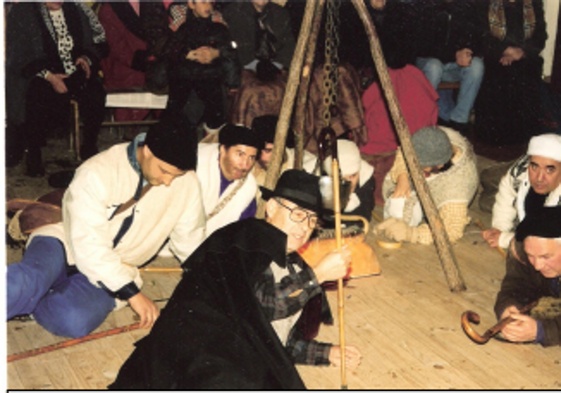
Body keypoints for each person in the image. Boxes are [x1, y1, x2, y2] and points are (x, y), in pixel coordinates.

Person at [109, 169, 362, 389]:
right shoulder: (244, 239)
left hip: (236, 354)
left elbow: (274, 338)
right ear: (272, 207)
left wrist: (326, 353)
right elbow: (264, 304)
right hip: (196, 349)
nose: (304, 226)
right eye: (297, 213)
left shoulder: (295, 266)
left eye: (311, 219)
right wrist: (317, 275)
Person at [7, 119, 206, 338]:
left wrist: (208, 282)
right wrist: (132, 294)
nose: (168, 182)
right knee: (24, 284)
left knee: (72, 319)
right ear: (147, 150)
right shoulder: (97, 171)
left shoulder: (187, 183)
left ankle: (40, 294)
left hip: (118, 267)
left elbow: (191, 241)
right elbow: (88, 244)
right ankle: (37, 286)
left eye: (175, 176)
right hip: (63, 241)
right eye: (164, 171)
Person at [5, 2, 108, 176]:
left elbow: (95, 43)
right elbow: (17, 55)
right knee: (37, 95)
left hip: (74, 73)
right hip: (39, 74)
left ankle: (89, 146)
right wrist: (49, 76)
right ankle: (34, 154)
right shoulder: (23, 11)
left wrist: (86, 58)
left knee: (96, 93)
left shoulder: (77, 9)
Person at [375, 126, 478, 245]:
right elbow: (404, 151)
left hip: (440, 195)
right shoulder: (439, 136)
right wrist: (402, 176)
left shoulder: (457, 187)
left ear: (439, 165)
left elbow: (452, 230)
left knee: (403, 219)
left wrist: (412, 234)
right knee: (399, 201)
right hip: (430, 177)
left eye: (421, 166)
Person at [161, 0, 240, 136]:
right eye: (203, 2)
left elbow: (231, 52)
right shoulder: (183, 27)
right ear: (192, 5)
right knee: (181, 114)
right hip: (186, 79)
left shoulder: (219, 28)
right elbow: (169, 50)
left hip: (211, 78)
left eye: (210, 3)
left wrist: (217, 53)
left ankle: (211, 137)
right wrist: (187, 54)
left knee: (215, 114)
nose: (208, 6)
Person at [474, 0, 547, 146]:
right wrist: (505, 50)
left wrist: (521, 52)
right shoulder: (486, 3)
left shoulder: (534, 3)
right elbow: (481, 35)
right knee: (500, 72)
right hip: (496, 54)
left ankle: (524, 135)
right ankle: (495, 135)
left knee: (528, 70)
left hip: (524, 56)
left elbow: (541, 36)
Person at [413, 0, 484, 135]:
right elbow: (420, 45)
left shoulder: (468, 6)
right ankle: (422, 121)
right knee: (434, 66)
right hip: (428, 63)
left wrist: (468, 50)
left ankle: (458, 121)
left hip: (454, 65)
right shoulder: (425, 5)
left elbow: (479, 39)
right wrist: (454, 54)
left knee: (476, 65)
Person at [494, 206, 561, 347]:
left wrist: (541, 332)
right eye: (531, 256)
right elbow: (516, 285)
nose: (537, 266)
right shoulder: (523, 248)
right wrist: (508, 308)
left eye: (546, 256)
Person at [482, 133, 561, 250]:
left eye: (549, 170)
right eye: (534, 167)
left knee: (486, 201)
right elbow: (507, 191)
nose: (539, 178)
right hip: (519, 175)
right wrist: (499, 228)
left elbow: (550, 244)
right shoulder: (521, 169)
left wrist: (505, 239)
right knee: (487, 179)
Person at [197, 124, 262, 237]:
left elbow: (242, 230)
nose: (245, 165)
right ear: (223, 149)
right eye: (240, 154)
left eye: (251, 158)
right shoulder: (197, 163)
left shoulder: (248, 188)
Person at [98, 1, 150, 134]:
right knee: (132, 76)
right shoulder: (109, 8)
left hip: (149, 57)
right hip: (122, 61)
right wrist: (139, 61)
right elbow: (115, 45)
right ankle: (131, 125)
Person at [222, 0, 295, 73]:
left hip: (275, 67)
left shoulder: (280, 13)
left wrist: (278, 66)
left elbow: (288, 45)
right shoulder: (233, 11)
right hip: (244, 67)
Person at [321, 140, 375, 222]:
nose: (350, 183)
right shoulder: (321, 180)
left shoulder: (365, 177)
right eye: (342, 178)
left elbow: (364, 216)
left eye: (352, 176)